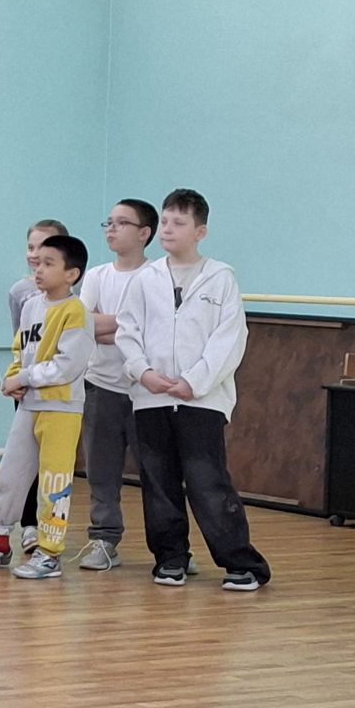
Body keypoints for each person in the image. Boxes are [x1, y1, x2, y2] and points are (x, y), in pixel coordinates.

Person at [114, 189, 271, 591]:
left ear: (200, 231)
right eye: (165, 221)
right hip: (151, 398)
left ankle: (242, 564)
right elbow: (127, 331)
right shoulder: (146, 278)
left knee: (207, 481)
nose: (168, 229)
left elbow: (229, 340)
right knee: (158, 482)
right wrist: (144, 373)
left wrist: (194, 381)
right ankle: (170, 559)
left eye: (178, 223)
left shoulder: (220, 278)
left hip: (202, 401)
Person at [0, 234, 93, 579]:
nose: (39, 268)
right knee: (10, 474)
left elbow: (67, 366)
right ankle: (0, 544)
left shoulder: (76, 312)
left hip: (62, 409)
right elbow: (20, 351)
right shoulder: (32, 306)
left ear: (71, 274)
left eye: (49, 263)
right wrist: (14, 376)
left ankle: (49, 554)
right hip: (29, 406)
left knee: (54, 480)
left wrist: (25, 378)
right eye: (37, 262)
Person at [74, 199, 157, 572]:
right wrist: (128, 327)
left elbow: (155, 330)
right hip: (100, 386)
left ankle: (171, 548)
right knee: (101, 472)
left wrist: (109, 326)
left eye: (122, 223)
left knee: (157, 473)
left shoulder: (157, 276)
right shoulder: (96, 276)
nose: (111, 228)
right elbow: (83, 325)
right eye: (108, 222)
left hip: (146, 390)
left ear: (144, 233)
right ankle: (104, 540)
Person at [7, 218, 68, 554]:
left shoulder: (74, 297)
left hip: (60, 393)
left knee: (53, 463)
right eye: (30, 247)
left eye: (43, 248)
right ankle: (28, 525)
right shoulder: (20, 293)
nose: (34, 255)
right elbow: (20, 340)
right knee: (25, 459)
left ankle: (51, 529)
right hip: (27, 388)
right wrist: (16, 376)